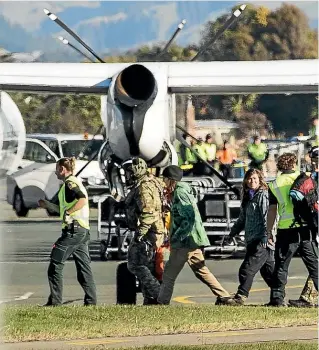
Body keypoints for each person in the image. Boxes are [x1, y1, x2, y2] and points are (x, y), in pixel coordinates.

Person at [157, 165, 235, 306]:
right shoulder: (184, 190)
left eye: (165, 179)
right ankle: (224, 296)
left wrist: (177, 236)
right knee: (201, 270)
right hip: (194, 239)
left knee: (169, 274)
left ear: (171, 180)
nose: (164, 182)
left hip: (185, 241)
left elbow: (188, 217)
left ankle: (162, 302)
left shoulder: (180, 193)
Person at [38, 157, 97, 306]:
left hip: (73, 232)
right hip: (81, 231)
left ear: (62, 169)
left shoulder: (70, 183)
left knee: (55, 265)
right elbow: (62, 210)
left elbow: (82, 200)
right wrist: (48, 205)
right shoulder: (70, 184)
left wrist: (69, 212)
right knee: (84, 269)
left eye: (57, 168)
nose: (55, 172)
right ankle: (91, 303)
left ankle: (55, 302)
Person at [266, 153, 318, 307]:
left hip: (285, 229)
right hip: (305, 228)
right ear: (294, 164)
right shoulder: (306, 178)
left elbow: (272, 210)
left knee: (281, 265)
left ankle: (277, 299)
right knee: (314, 265)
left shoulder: (274, 184)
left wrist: (270, 231)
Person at [224, 169, 274, 305]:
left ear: (260, 180)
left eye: (256, 179)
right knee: (269, 273)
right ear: (246, 180)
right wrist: (231, 234)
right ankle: (278, 298)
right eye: (250, 179)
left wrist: (266, 235)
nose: (253, 181)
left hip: (262, 240)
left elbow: (267, 216)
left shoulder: (262, 195)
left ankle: (241, 297)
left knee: (246, 269)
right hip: (251, 239)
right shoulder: (248, 197)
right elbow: (242, 219)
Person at [124, 157, 166, 305]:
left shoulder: (144, 187)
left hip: (149, 233)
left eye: (129, 172)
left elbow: (148, 213)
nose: (127, 176)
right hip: (154, 232)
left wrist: (139, 234)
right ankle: (150, 299)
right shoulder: (152, 182)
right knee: (148, 266)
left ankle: (158, 293)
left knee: (135, 264)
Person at [288, 146, 319, 307]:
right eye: (313, 161)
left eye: (316, 161)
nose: (314, 164)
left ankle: (307, 298)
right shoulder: (312, 177)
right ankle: (307, 298)